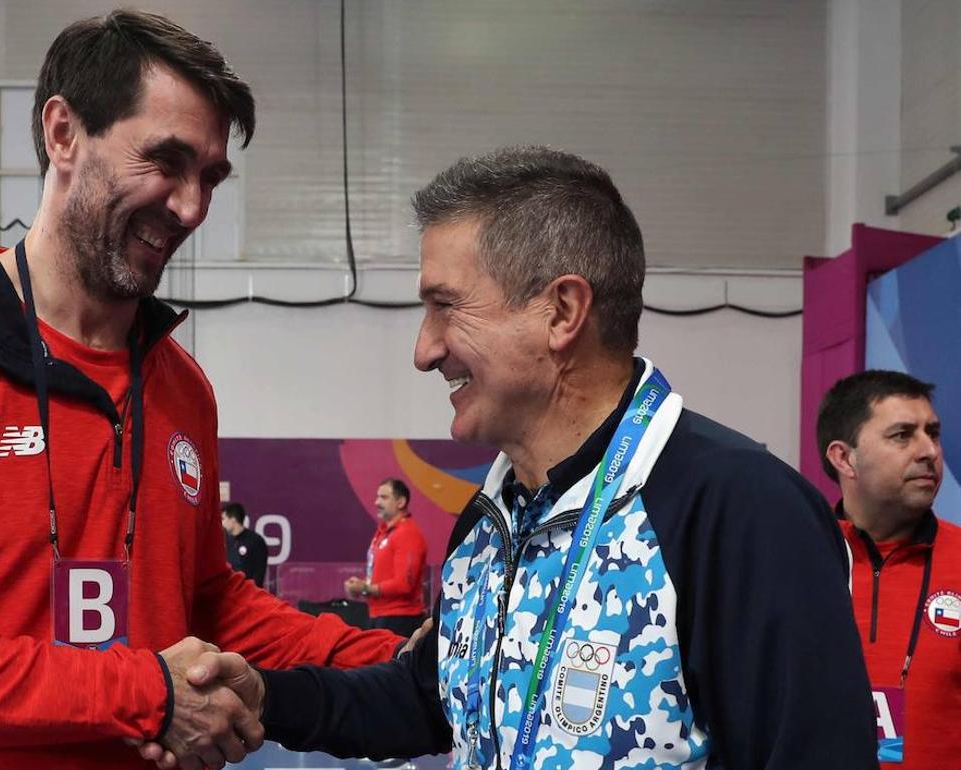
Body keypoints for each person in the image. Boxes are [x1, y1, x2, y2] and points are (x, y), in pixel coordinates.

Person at [0, 10, 400, 770]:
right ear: (63, 134)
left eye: (210, 178)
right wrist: (139, 691)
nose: (191, 208)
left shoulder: (182, 388)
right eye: (165, 160)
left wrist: (399, 660)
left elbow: (207, 602)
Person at [141, 146, 880, 770]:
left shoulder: (739, 511)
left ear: (562, 312)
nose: (424, 349)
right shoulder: (492, 518)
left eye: (446, 306)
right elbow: (428, 702)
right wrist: (266, 698)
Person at [817, 370, 960, 769]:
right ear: (844, 458)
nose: (929, 451)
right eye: (902, 435)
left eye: (932, 433)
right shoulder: (794, 561)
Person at [344, 479, 428, 637]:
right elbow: (381, 577)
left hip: (399, 619)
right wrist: (361, 587)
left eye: (384, 497)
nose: (376, 502)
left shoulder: (407, 533)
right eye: (377, 497)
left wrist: (365, 588)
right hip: (379, 616)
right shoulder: (383, 533)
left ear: (401, 502)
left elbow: (404, 585)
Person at [222, 502, 268, 588]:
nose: (222, 523)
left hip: (248, 591)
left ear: (233, 519)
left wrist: (251, 591)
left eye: (223, 519)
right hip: (229, 590)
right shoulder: (225, 542)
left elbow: (259, 572)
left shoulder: (255, 541)